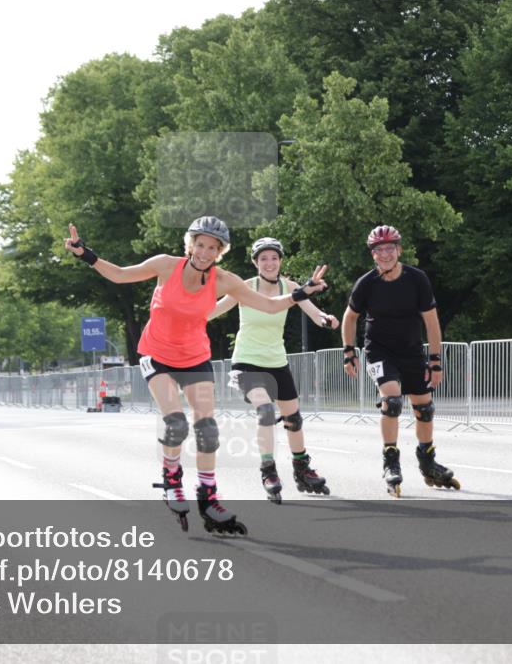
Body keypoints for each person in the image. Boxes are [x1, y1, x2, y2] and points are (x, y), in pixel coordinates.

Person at [64, 217, 328, 534]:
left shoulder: (224, 281)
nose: (204, 252)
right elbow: (120, 275)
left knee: (207, 430)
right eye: (200, 244)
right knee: (176, 421)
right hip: (157, 355)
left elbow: (269, 305)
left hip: (194, 357)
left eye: (212, 247)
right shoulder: (165, 266)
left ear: (219, 252)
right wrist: (85, 254)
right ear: (190, 244)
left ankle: (208, 497)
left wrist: (301, 294)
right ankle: (171, 478)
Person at [208, 237, 338, 503]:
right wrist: (186, 311)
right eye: (263, 258)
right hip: (246, 361)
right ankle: (268, 470)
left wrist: (327, 320)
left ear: (280, 261)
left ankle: (302, 470)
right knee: (266, 411)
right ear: (256, 263)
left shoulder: (289, 287)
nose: (269, 263)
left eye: (274, 258)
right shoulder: (245, 287)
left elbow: (313, 312)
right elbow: (213, 311)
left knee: (294, 419)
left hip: (277, 361)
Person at [341, 225, 458, 497]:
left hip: (411, 350)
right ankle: (391, 460)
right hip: (378, 350)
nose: (385, 254)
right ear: (373, 255)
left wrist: (435, 361)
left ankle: (427, 460)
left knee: (424, 407)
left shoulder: (417, 279)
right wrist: (349, 352)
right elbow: (350, 317)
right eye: (379, 250)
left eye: (390, 248)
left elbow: (431, 321)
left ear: (399, 250)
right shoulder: (366, 283)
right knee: (392, 399)